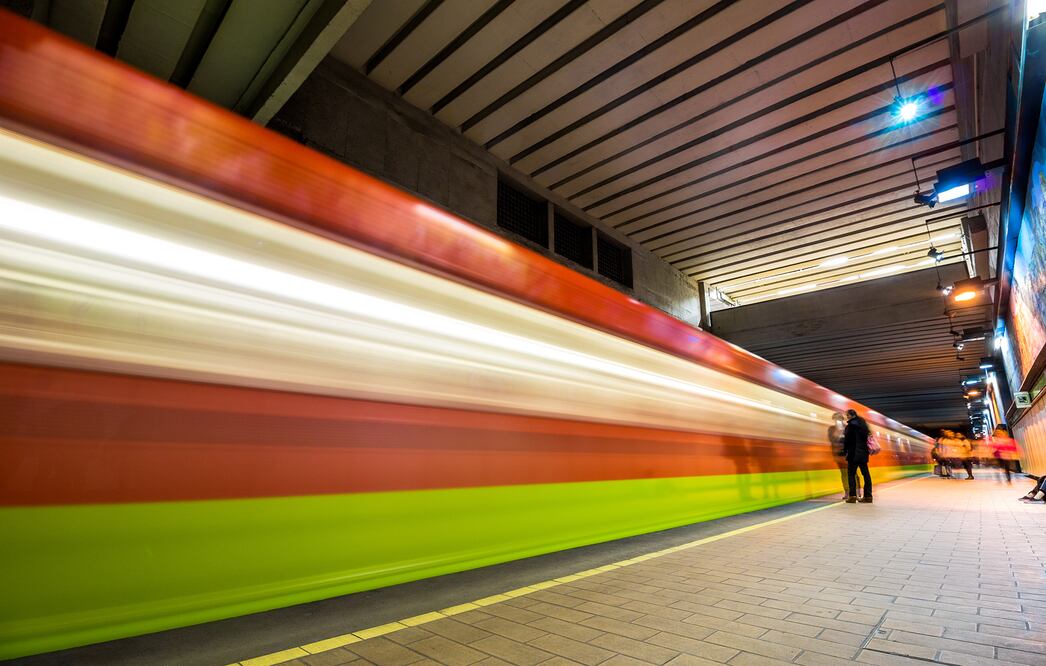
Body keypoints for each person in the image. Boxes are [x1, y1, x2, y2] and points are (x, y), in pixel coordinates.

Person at [843, 408, 872, 503]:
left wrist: (844, 451)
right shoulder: (864, 425)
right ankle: (868, 496)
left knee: (851, 474)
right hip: (863, 454)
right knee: (866, 475)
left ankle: (852, 496)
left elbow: (846, 441)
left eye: (847, 415)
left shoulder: (850, 426)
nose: (846, 417)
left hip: (853, 454)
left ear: (851, 415)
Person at [828, 412, 859, 499]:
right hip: (838, 455)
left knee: (853, 473)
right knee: (844, 474)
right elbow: (831, 440)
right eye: (835, 419)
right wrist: (837, 433)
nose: (837, 421)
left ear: (842, 419)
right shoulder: (831, 429)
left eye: (839, 419)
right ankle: (847, 492)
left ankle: (856, 491)